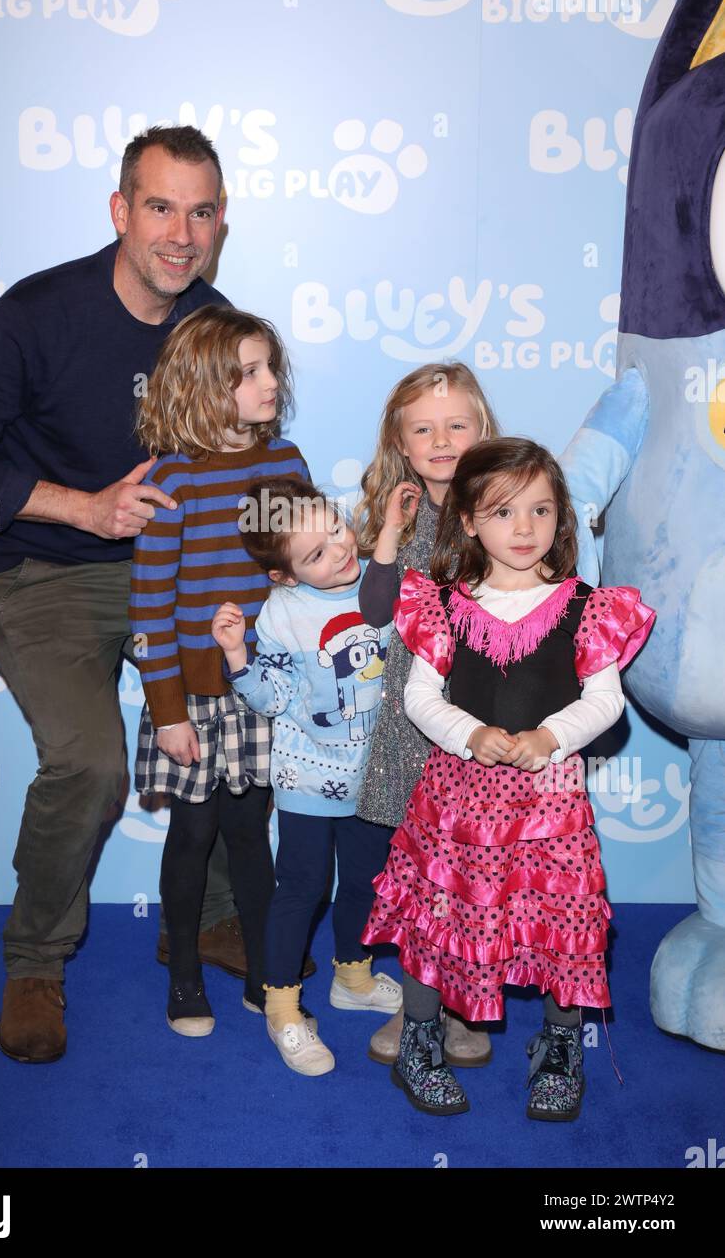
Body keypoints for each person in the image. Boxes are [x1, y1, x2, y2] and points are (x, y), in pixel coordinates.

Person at [0, 125, 246, 1063]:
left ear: (221, 223)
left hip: (161, 570)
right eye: (161, 206)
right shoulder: (35, 314)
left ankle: (203, 918)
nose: (181, 233)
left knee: (230, 723)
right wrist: (82, 509)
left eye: (202, 211)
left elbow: (236, 465)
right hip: (35, 570)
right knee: (91, 765)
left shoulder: (216, 328)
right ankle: (34, 960)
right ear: (119, 212)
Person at [362, 438, 655, 1120]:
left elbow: (605, 699)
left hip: (551, 804)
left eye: (540, 510)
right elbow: (419, 697)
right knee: (437, 918)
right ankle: (420, 1040)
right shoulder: (441, 604)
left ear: (561, 519)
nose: (524, 529)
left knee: (563, 921)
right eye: (502, 512)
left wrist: (552, 737)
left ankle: (558, 1046)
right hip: (457, 799)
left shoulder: (588, 606)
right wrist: (470, 734)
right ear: (467, 521)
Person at [130, 310, 310, 1036]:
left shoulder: (282, 465)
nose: (271, 383)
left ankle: (270, 976)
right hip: (193, 699)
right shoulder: (174, 480)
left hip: (261, 685)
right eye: (249, 372)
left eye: (271, 368)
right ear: (206, 385)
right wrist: (168, 710)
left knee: (248, 834)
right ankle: (182, 977)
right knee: (193, 835)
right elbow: (149, 606)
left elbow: (291, 575)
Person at [212, 478, 398, 1076]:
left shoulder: (378, 576)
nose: (339, 552)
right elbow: (272, 697)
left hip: (375, 773)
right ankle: (283, 1006)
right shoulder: (282, 616)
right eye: (314, 554)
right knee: (302, 887)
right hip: (309, 777)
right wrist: (238, 656)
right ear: (285, 576)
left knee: (368, 879)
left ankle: (353, 974)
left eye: (337, 531)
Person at [353, 363, 500, 1068]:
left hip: (484, 719)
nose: (441, 439)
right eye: (423, 428)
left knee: (472, 875)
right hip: (413, 726)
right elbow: (375, 612)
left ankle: (458, 1008)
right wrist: (388, 530)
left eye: (456, 424)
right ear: (402, 443)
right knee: (418, 875)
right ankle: (419, 1014)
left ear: (482, 430)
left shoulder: (506, 511)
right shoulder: (402, 514)